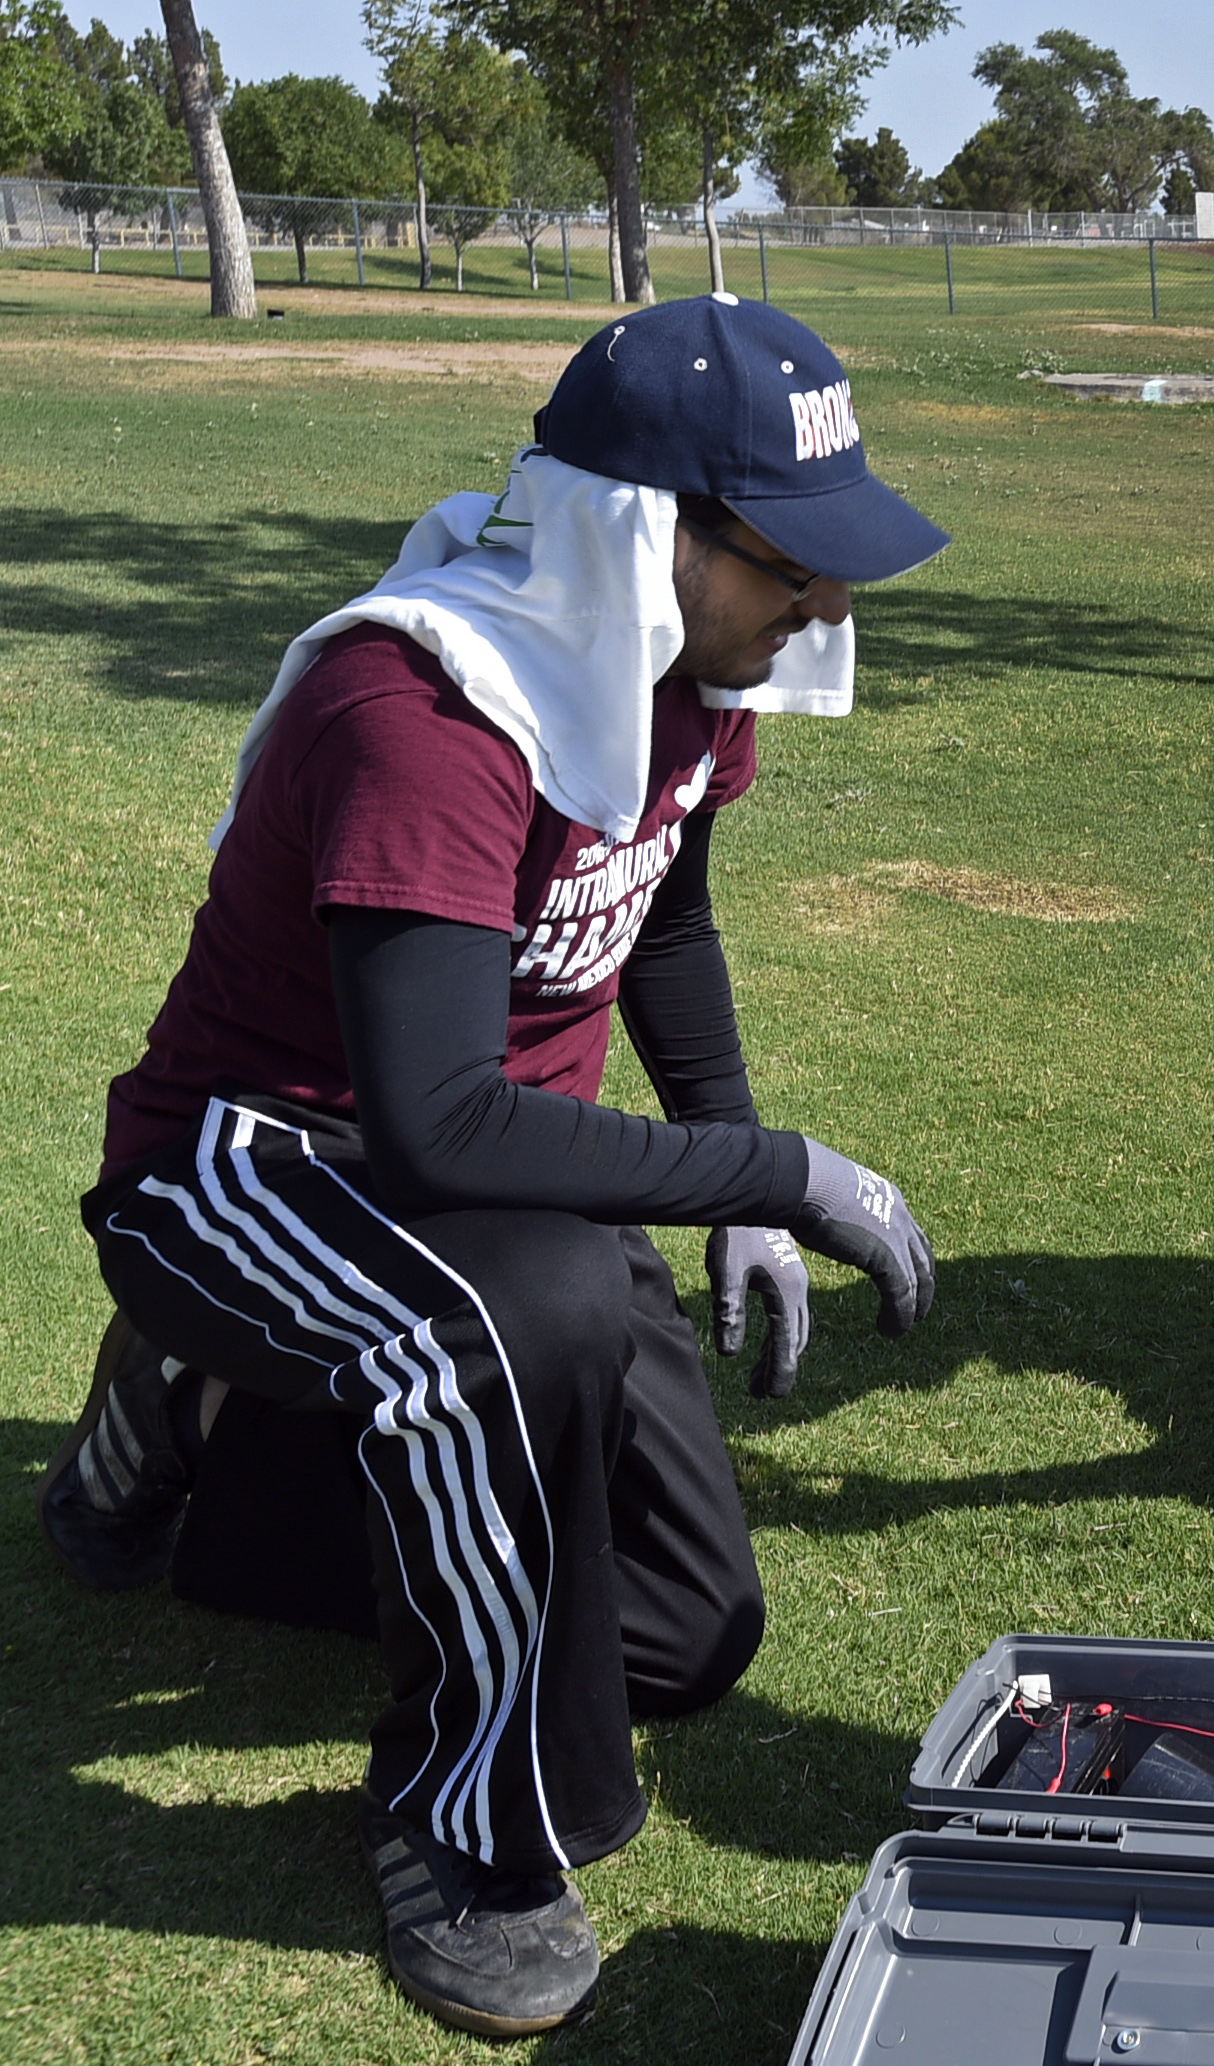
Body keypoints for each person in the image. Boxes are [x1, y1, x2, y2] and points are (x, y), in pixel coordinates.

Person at [38, 295, 949, 2039]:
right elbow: (436, 1123)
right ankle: (462, 1826)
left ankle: (216, 1435)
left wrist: (731, 1154)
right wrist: (773, 1170)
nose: (830, 603)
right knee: (510, 1316)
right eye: (791, 561)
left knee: (676, 1642)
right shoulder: (425, 712)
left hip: (476, 1186)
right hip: (254, 1167)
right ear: (636, 535)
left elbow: (662, 918)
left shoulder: (682, 670)